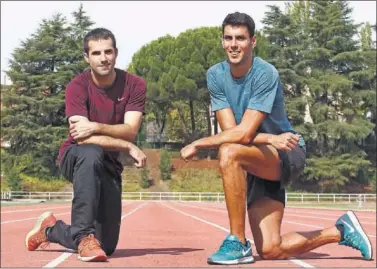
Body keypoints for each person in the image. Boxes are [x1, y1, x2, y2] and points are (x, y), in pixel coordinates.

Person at [180, 12, 373, 265]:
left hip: (287, 152)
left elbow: (242, 134)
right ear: (222, 41)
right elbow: (233, 132)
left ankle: (237, 242)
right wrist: (269, 137)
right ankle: (341, 231)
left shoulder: (265, 73)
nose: (234, 44)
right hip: (258, 155)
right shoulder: (215, 75)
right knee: (271, 249)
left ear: (253, 41)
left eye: (241, 38)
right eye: (228, 38)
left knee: (228, 152)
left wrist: (198, 142)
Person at [25, 28, 147, 262]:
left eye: (108, 52)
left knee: (107, 246)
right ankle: (83, 236)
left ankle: (51, 229)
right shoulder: (76, 86)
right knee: (91, 152)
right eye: (97, 53)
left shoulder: (134, 85)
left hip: (109, 164)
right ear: (86, 57)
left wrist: (96, 127)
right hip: (75, 156)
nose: (103, 58)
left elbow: (130, 130)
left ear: (116, 53)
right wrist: (127, 147)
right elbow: (82, 137)